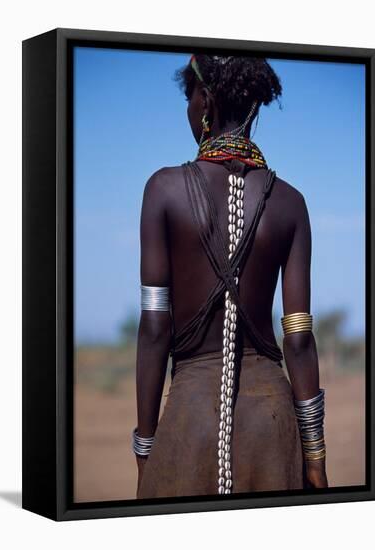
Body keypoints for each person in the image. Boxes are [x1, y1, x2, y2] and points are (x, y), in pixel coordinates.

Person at [133, 54, 328, 498]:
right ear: (255, 106)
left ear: (205, 101)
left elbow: (154, 328)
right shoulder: (290, 203)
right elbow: (298, 339)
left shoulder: (162, 190)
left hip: (189, 422)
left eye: (188, 98)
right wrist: (314, 456)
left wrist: (146, 446)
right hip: (272, 428)